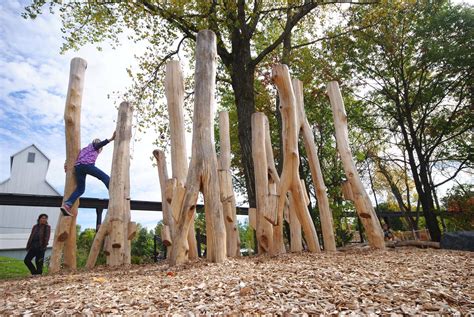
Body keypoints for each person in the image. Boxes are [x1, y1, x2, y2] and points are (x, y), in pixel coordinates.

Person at [60, 131, 116, 216]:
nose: (100, 151)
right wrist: (111, 139)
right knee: (105, 177)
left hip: (78, 168)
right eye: (100, 149)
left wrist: (66, 163)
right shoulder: (94, 146)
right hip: (87, 166)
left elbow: (72, 157)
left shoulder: (84, 149)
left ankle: (67, 205)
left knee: (80, 189)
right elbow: (99, 144)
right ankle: (113, 193)